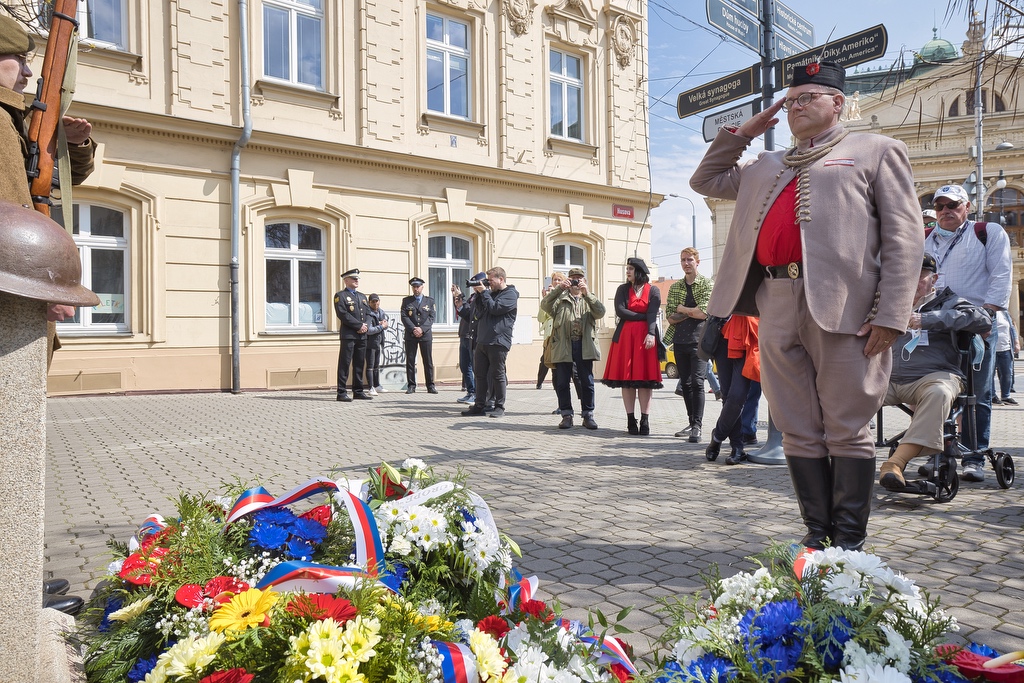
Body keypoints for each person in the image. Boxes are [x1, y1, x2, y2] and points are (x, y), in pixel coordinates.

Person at [690, 60, 922, 551]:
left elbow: (904, 237)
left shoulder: (876, 150)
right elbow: (706, 179)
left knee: (847, 423)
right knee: (795, 423)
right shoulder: (766, 165)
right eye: (791, 100)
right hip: (774, 301)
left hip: (847, 308)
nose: (796, 108)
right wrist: (744, 132)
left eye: (807, 98)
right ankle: (817, 537)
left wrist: (892, 314)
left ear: (837, 103)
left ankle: (850, 544)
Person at [2, 11, 95, 617]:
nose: (28, 69)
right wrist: (31, 283)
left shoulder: (18, 121)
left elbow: (48, 182)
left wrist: (74, 141)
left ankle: (14, 575)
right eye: (17, 59)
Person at [923, 183, 1012, 481]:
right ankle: (938, 453)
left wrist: (986, 317)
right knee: (937, 390)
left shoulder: (987, 233)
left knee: (978, 393)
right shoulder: (925, 238)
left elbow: (1001, 273)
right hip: (936, 325)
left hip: (976, 325)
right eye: (940, 206)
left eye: (953, 205)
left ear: (968, 207)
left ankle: (974, 457)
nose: (946, 211)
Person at [879, 253, 992, 489]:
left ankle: (895, 464)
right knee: (850, 394)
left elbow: (983, 320)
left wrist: (928, 319)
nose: (912, 281)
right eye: (907, 276)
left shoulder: (948, 301)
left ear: (934, 279)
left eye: (920, 277)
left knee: (939, 392)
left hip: (935, 375)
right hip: (888, 377)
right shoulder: (889, 300)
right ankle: (843, 459)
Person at [601, 257, 665, 435]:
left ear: (639, 271)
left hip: (646, 337)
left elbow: (653, 314)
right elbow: (621, 311)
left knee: (645, 381)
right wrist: (642, 316)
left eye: (630, 269)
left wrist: (651, 333)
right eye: (627, 268)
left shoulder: (653, 290)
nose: (627, 271)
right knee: (627, 381)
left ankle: (645, 419)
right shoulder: (622, 289)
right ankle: (631, 420)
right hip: (625, 338)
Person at [540, 266, 605, 430]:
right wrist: (559, 289)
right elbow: (545, 305)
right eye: (573, 278)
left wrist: (587, 293)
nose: (577, 281)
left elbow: (600, 312)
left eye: (579, 278)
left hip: (584, 345)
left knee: (587, 382)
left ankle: (588, 414)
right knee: (562, 382)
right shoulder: (560, 300)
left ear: (584, 281)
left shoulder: (589, 298)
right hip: (563, 345)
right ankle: (566, 415)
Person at [664, 247, 713, 442]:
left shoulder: (707, 284)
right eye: (683, 260)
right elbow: (670, 317)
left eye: (690, 260)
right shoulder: (676, 287)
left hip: (699, 341)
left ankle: (698, 426)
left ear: (697, 262)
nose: (686, 263)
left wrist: (682, 309)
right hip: (679, 341)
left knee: (697, 382)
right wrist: (690, 311)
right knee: (685, 384)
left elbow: (704, 313)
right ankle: (691, 422)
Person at [461, 267, 519, 418]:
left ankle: (499, 406)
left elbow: (495, 308)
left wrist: (485, 293)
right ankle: (480, 405)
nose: (489, 283)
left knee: (497, 374)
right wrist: (480, 293)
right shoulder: (490, 294)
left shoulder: (510, 295)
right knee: (480, 375)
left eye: (491, 280)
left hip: (498, 341)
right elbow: (478, 312)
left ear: (501, 279)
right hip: (483, 340)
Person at [705, 315, 760, 465]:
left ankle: (717, 437)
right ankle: (737, 448)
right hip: (723, 332)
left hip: (749, 331)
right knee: (728, 396)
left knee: (738, 396)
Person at [334, 268, 372, 402]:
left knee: (359, 363)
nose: (356, 280)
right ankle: (341, 392)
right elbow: (342, 314)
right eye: (353, 278)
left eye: (357, 279)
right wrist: (359, 326)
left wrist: (366, 325)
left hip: (362, 335)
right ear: (346, 280)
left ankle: (358, 391)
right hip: (349, 335)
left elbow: (368, 313)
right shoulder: (340, 296)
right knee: (345, 363)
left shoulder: (362, 296)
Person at [401, 277, 437, 394]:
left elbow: (431, 317)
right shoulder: (406, 301)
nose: (416, 289)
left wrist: (421, 329)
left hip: (425, 334)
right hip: (411, 335)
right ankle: (411, 385)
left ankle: (430, 385)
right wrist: (413, 329)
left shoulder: (430, 301)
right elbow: (404, 316)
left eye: (418, 286)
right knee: (410, 360)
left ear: (422, 287)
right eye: (414, 287)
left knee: (428, 361)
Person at [452, 274, 484, 404]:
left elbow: (470, 314)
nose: (473, 286)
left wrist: (461, 298)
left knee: (475, 366)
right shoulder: (472, 297)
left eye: (475, 283)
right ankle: (470, 391)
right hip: (464, 334)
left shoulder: (480, 298)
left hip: (473, 336)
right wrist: (458, 298)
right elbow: (463, 312)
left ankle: (477, 394)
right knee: (465, 366)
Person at [364, 293, 389, 395]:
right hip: (370, 343)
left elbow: (385, 324)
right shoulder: (368, 313)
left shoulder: (381, 312)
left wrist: (384, 325)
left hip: (378, 341)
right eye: (373, 301)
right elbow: (369, 330)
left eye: (376, 301)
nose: (375, 303)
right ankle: (370, 387)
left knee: (376, 365)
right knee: (370, 366)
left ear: (379, 301)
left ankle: (377, 385)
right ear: (369, 302)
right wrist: (381, 327)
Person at [993, 309, 1018, 405]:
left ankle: (1006, 396)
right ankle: (992, 396)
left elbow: (1011, 328)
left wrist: (1016, 342)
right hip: (992, 349)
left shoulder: (1005, 313)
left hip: (1006, 348)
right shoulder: (987, 311)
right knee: (990, 375)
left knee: (1007, 374)